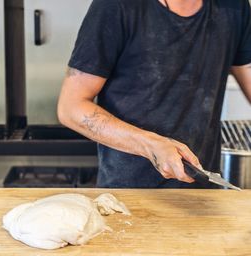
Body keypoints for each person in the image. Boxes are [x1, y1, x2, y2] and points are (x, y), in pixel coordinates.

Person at [57, 0, 251, 188]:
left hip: (204, 192)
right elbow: (71, 107)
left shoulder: (234, 6)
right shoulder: (116, 5)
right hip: (129, 196)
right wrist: (151, 145)